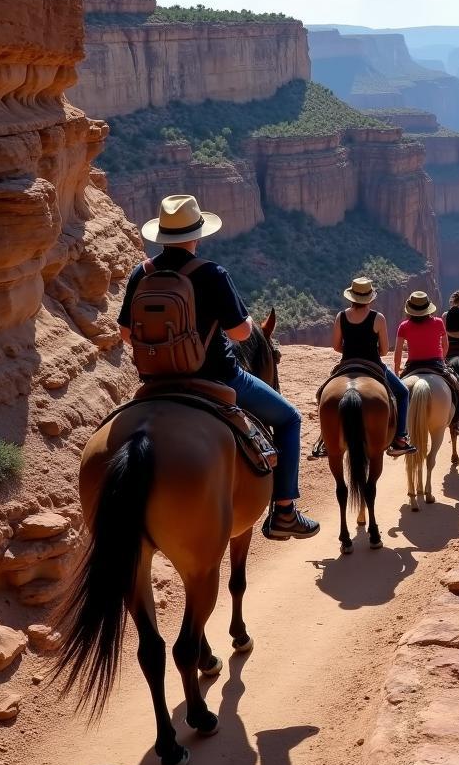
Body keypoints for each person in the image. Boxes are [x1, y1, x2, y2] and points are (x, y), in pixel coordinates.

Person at [118, 194, 319, 541]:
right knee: (290, 419)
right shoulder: (211, 273)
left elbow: (124, 333)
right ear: (197, 235)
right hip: (217, 376)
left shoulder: (142, 272)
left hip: (155, 379)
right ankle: (285, 510)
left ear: (162, 236)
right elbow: (241, 333)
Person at [333, 277, 416, 457]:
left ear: (351, 297)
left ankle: (326, 439)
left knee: (323, 393)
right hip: (373, 364)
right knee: (402, 393)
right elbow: (384, 350)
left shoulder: (341, 316)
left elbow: (336, 346)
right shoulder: (378, 318)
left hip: (346, 364)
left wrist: (352, 350)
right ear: (370, 298)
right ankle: (400, 438)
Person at [394, 291, 459, 432]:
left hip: (412, 366)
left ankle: (396, 429)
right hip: (436, 363)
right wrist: (442, 360)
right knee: (457, 386)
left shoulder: (404, 326)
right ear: (428, 307)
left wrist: (396, 370)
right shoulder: (437, 322)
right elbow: (446, 345)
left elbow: (398, 351)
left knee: (396, 394)